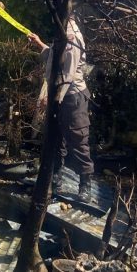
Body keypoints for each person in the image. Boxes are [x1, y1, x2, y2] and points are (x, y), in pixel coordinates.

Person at [27, 17, 94, 201]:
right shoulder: (61, 32)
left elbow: (68, 73)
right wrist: (39, 43)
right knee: (55, 138)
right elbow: (54, 57)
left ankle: (85, 184)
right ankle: (56, 177)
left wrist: (50, 96)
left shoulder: (71, 35)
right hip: (57, 94)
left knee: (78, 138)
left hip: (73, 96)